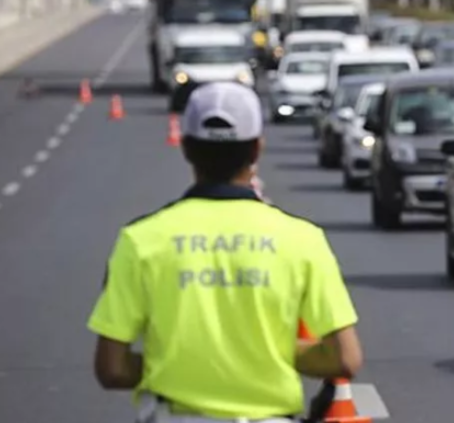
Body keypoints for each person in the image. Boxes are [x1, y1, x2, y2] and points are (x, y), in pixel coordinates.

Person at [87, 82, 363, 422]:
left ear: (186, 148)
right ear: (257, 149)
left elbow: (111, 368)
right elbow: (345, 359)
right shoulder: (302, 239)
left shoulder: (141, 240)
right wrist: (261, 353)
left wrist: (179, 362)